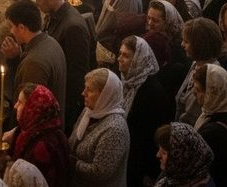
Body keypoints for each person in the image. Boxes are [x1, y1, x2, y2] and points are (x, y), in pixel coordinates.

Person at [31, 0, 92, 133]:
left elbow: (76, 74)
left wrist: (65, 107)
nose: (37, 4)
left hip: (65, 100)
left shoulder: (72, 26)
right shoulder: (55, 16)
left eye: (38, 0)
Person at [118, 35, 173, 186]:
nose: (119, 59)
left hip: (140, 166)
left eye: (126, 55)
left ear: (138, 60)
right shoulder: (125, 81)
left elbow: (154, 137)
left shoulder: (153, 92)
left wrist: (151, 173)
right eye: (120, 53)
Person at [3, 0, 67, 118]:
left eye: (11, 26)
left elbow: (30, 109)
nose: (11, 31)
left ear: (21, 28)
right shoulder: (50, 41)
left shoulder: (34, 64)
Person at [0, 83, 69, 187]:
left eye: (20, 102)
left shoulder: (43, 146)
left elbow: (29, 181)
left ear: (32, 109)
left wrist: (5, 162)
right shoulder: (30, 131)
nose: (15, 106)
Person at [68, 68, 129, 187]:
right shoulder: (89, 111)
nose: (83, 93)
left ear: (105, 95)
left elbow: (100, 172)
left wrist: (72, 162)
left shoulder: (115, 129)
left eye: (89, 90)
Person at [176, 17, 223, 125]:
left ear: (199, 45)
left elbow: (192, 115)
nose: (182, 44)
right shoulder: (196, 64)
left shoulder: (211, 76)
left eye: (186, 41)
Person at [193, 64, 227, 184]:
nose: (194, 93)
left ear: (212, 93)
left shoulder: (212, 132)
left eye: (198, 90)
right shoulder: (214, 111)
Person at [153, 123, 215, 187]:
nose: (158, 155)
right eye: (159, 149)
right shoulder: (177, 176)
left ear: (183, 158)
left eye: (164, 153)